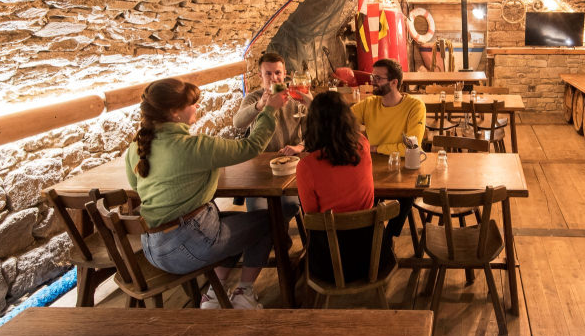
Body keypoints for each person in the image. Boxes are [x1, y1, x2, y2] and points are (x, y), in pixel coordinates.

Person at [125, 77, 289, 309]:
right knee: (270, 221)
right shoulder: (193, 147)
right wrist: (270, 109)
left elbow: (135, 187)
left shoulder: (137, 146)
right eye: (192, 103)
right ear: (174, 112)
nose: (197, 107)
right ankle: (244, 294)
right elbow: (251, 146)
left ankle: (215, 292)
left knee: (237, 226)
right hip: (188, 246)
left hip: (151, 249)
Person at [295, 91, 394, 284]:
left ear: (312, 124)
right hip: (373, 257)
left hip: (330, 264)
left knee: (317, 228)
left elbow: (311, 217)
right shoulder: (363, 146)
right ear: (348, 118)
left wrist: (316, 109)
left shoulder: (306, 166)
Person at [351, 58, 425, 238]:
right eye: (372, 76)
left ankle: (387, 239)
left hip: (404, 168)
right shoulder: (369, 104)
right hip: (372, 169)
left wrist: (375, 148)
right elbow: (341, 121)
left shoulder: (415, 107)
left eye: (377, 78)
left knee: (406, 196)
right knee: (363, 198)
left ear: (394, 82)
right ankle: (373, 240)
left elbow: (412, 147)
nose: (372, 82)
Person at [233, 51, 308, 219]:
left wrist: (299, 146)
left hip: (290, 165)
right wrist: (260, 105)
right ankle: (277, 239)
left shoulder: (295, 98)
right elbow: (238, 123)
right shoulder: (254, 98)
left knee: (289, 206)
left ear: (285, 74)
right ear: (260, 76)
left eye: (277, 73)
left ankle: (278, 238)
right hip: (261, 168)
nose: (274, 78)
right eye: (268, 73)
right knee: (258, 213)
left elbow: (312, 133)